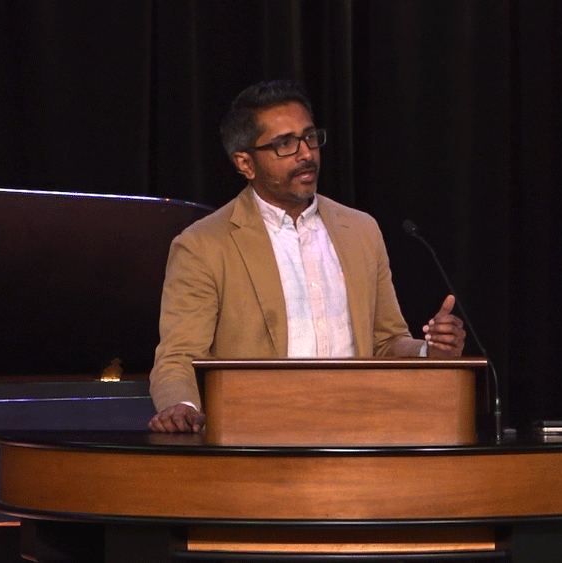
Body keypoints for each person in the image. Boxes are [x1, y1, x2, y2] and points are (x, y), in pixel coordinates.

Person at [148, 80, 465, 433]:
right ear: (245, 163)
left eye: (310, 137)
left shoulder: (360, 230)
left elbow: (385, 342)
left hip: (360, 432)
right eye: (285, 144)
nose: (306, 154)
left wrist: (429, 352)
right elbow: (179, 355)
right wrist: (182, 407)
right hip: (259, 436)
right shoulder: (203, 244)